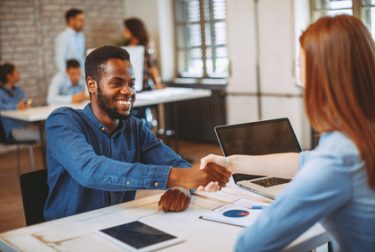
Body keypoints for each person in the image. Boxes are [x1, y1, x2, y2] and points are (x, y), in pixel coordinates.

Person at [200, 15, 375, 251]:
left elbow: (251, 245)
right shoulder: (364, 133)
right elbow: (305, 161)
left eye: (300, 66)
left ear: (320, 75)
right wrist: (232, 162)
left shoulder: (341, 155)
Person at [44, 46, 230, 221]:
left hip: (117, 226)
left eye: (131, 83)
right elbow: (89, 170)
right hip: (67, 235)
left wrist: (181, 188)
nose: (128, 91)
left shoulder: (134, 127)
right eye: (117, 83)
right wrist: (176, 177)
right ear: (92, 85)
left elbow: (178, 165)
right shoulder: (62, 121)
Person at [0, 63, 39, 141]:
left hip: (26, 125)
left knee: (48, 132)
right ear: (9, 76)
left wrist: (26, 104)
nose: (19, 74)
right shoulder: (1, 92)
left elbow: (25, 101)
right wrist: (16, 106)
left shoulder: (18, 90)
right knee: (44, 135)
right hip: (13, 130)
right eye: (16, 72)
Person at [55, 8, 85, 73]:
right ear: (71, 20)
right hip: (70, 77)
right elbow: (60, 60)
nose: (83, 23)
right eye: (80, 20)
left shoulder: (81, 36)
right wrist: (69, 77)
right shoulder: (63, 37)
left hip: (80, 75)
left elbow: (80, 57)